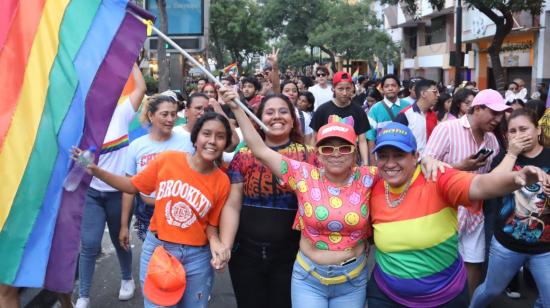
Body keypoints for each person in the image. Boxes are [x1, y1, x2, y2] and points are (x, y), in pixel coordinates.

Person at [218, 87, 443, 308]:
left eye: (344, 148)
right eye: (327, 149)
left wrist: (424, 160)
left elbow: (398, 168)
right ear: (317, 153)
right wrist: (237, 108)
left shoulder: (369, 177)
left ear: (355, 150)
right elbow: (260, 150)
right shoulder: (304, 174)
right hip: (308, 278)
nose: (336, 154)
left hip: (352, 280)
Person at [76, 112, 233, 308]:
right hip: (159, 250)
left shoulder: (222, 181)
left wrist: (217, 243)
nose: (212, 141)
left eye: (220, 136)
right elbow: (132, 186)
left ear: (226, 142)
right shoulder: (168, 160)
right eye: (206, 134)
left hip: (197, 259)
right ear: (195, 137)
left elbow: (211, 225)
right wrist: (95, 170)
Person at [219, 94, 317, 308]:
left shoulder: (311, 157)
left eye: (283, 111)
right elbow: (232, 205)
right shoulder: (242, 155)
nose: (276, 117)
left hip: (294, 256)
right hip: (245, 255)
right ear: (259, 120)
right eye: (269, 112)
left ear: (293, 120)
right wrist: (225, 246)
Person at [424, 89, 512, 297]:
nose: (498, 119)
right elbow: (427, 170)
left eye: (501, 115)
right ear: (478, 108)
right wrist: (460, 166)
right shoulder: (446, 129)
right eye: (494, 113)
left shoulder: (492, 142)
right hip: (445, 212)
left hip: (475, 212)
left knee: (473, 263)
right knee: (439, 265)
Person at [75, 64, 146, 308]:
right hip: (92, 194)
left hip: (120, 193)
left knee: (120, 239)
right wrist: (82, 159)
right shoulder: (81, 123)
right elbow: (81, 162)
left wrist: (130, 59)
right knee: (90, 244)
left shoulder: (122, 112)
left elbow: (142, 87)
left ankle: (127, 279)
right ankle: (83, 295)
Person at [471, 109, 550, 307]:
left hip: (545, 249)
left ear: (538, 130)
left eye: (523, 129)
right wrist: (512, 153)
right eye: (512, 131)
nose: (518, 135)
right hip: (507, 244)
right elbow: (489, 186)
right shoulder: (505, 158)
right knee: (490, 290)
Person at [120, 94, 195, 248]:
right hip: (147, 212)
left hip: (180, 211)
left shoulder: (188, 141)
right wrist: (123, 226)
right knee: (155, 262)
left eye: (173, 114)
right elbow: (129, 188)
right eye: (164, 114)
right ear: (151, 115)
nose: (170, 119)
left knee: (177, 260)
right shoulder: (137, 145)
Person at [310, 71, 370, 163]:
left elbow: (362, 141)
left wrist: (365, 163)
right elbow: (314, 138)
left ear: (353, 88)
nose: (345, 93)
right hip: (327, 161)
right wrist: (313, 162)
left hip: (351, 161)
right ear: (333, 89)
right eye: (340, 89)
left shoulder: (359, 111)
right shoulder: (322, 110)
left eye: (348, 88)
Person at [366, 74, 411, 162]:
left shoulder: (408, 106)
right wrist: (372, 161)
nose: (390, 88)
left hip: (403, 154)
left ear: (399, 88)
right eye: (387, 86)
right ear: (382, 89)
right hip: (382, 155)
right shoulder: (375, 109)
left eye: (393, 85)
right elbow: (371, 136)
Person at [396, 79, 439, 155]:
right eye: (435, 92)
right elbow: (397, 141)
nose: (438, 95)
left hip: (429, 163)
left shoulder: (433, 115)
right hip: (411, 163)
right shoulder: (405, 114)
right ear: (423, 93)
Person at [281, 81, 314, 145]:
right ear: (280, 93)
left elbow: (308, 143)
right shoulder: (274, 115)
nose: (291, 93)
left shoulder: (305, 117)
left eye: (294, 91)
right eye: (287, 91)